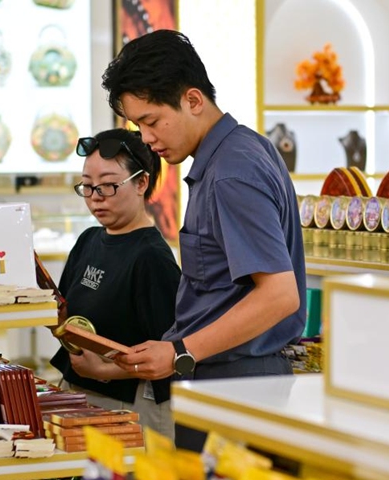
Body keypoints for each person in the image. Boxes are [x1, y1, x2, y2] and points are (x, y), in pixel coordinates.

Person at [101, 29, 307, 450]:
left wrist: (179, 351)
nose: (146, 138)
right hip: (231, 382)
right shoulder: (239, 151)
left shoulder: (232, 173)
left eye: (152, 121)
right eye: (138, 125)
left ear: (193, 101)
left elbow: (280, 296)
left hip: (239, 387)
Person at [49, 128, 180, 441]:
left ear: (141, 182)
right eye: (88, 186)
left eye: (108, 186)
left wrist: (104, 370)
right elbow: (66, 313)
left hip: (129, 405)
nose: (96, 198)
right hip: (79, 395)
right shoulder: (88, 241)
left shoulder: (151, 257)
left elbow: (174, 357)